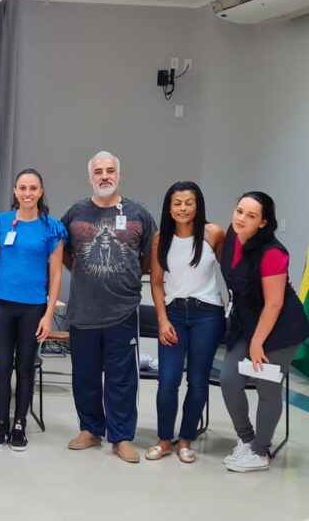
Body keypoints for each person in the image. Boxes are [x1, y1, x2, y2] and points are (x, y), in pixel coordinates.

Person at [61, 151, 156, 463]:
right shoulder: (75, 213)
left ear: (119, 175)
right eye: (99, 171)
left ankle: (121, 437)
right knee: (85, 376)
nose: (105, 176)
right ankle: (90, 430)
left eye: (110, 170)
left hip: (123, 311)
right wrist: (88, 274)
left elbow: (149, 257)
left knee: (122, 379)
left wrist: (125, 277)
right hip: (83, 311)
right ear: (90, 177)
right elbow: (65, 254)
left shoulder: (139, 213)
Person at [218, 192, 309, 472]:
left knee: (268, 388)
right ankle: (247, 439)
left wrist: (257, 343)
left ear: (263, 222)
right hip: (248, 322)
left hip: (280, 329)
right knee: (229, 379)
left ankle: (259, 452)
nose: (241, 219)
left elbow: (274, 304)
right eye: (239, 211)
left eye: (251, 216)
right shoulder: (232, 236)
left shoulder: (272, 253)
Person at [146, 182, 225, 464]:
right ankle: (164, 440)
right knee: (168, 380)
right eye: (177, 203)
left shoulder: (213, 233)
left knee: (198, 380)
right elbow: (156, 282)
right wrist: (162, 319)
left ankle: (186, 440)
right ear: (169, 207)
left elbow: (234, 271)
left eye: (189, 203)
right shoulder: (160, 239)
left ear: (198, 205)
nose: (183, 208)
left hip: (208, 315)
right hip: (174, 314)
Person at [0, 169, 66, 451]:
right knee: (1, 367)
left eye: (33, 188)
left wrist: (48, 314)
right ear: (15, 191)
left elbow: (56, 274)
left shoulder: (52, 228)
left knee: (24, 368)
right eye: (22, 188)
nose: (27, 193)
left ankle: (19, 425)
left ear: (41, 191)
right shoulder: (2, 221)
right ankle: (1, 425)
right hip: (2, 305)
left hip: (33, 308)